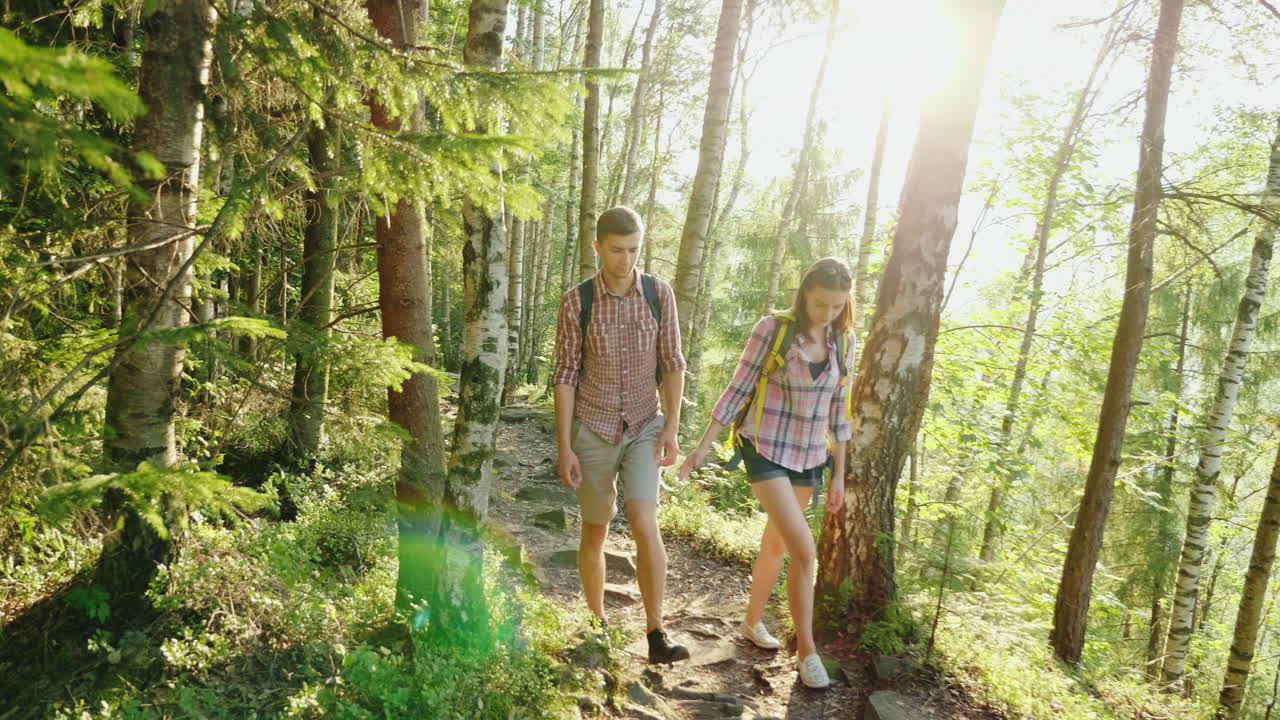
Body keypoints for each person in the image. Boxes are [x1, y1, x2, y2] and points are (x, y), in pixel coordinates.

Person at [677, 257, 856, 689]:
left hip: (810, 456)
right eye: (819, 304)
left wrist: (838, 475)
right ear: (805, 294)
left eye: (836, 306)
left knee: (776, 542)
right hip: (765, 447)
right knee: (805, 550)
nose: (826, 314)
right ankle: (808, 652)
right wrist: (703, 446)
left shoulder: (845, 342)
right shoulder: (773, 330)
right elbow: (737, 389)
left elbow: (840, 411)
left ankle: (752, 622)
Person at [551, 206, 690, 664]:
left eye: (633, 249)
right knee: (595, 530)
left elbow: (672, 362)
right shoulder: (578, 301)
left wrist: (671, 426)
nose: (625, 259)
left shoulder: (658, 294)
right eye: (616, 250)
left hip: (645, 424)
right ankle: (597, 625)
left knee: (644, 522)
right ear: (598, 248)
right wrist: (565, 445)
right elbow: (566, 374)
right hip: (592, 426)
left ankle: (656, 633)